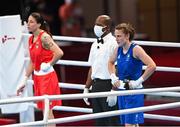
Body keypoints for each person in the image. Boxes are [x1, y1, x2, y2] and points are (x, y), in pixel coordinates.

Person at [16, 12, 64, 126]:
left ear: (38, 24)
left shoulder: (44, 37)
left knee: (48, 110)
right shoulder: (31, 39)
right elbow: (33, 62)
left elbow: (59, 53)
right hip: (37, 78)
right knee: (44, 110)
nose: (28, 24)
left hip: (47, 77)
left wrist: (49, 64)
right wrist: (24, 79)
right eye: (28, 21)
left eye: (31, 22)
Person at [108, 23, 156, 127]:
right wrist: (113, 77)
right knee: (132, 124)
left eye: (119, 36)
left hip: (134, 92)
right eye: (115, 36)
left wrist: (138, 82)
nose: (116, 39)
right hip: (122, 91)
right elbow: (110, 62)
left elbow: (152, 65)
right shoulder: (118, 49)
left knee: (129, 125)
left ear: (127, 36)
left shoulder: (136, 49)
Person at [83, 15, 119, 126]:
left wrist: (114, 90)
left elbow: (117, 68)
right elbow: (92, 67)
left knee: (111, 122)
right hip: (96, 86)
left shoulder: (114, 43)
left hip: (109, 85)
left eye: (99, 25)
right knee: (99, 122)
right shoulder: (94, 44)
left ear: (107, 28)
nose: (95, 27)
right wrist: (86, 87)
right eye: (95, 24)